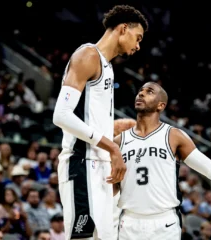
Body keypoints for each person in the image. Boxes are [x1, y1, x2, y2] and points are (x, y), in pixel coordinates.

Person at [113, 82, 211, 240]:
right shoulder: (118, 142)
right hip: (129, 221)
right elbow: (111, 186)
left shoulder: (173, 135)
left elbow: (208, 168)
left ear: (161, 105)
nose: (141, 93)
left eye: (149, 91)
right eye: (140, 90)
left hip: (163, 222)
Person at [52, 4, 148, 240]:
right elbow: (61, 115)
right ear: (123, 28)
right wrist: (112, 147)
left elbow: (92, 122)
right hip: (81, 162)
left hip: (100, 165)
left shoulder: (108, 68)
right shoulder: (88, 55)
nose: (138, 45)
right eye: (138, 38)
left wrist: (118, 141)